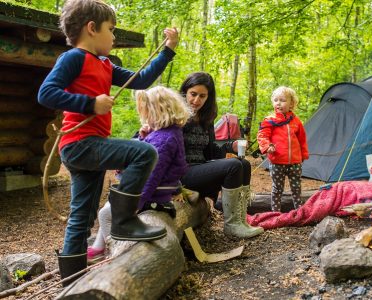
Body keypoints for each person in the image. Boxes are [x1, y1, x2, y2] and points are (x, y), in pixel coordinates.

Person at [37, 0, 179, 284]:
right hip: (80, 143)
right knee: (144, 153)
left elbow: (142, 80)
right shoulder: (73, 58)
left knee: (83, 215)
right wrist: (90, 103)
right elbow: (46, 93)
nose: (114, 37)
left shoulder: (105, 64)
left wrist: (168, 49)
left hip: (89, 147)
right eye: (111, 30)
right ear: (92, 28)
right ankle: (124, 222)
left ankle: (72, 280)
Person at [87, 86, 192, 263]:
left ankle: (113, 249)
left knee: (105, 215)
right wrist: (143, 137)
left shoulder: (163, 140)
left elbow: (152, 176)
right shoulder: (165, 133)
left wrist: (134, 204)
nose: (145, 118)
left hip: (154, 195)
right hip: (156, 191)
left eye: (147, 113)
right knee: (108, 206)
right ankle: (98, 248)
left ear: (158, 112)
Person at [175, 72, 264, 238]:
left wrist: (231, 146)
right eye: (193, 94)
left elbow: (210, 151)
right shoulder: (175, 115)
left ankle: (240, 220)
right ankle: (231, 226)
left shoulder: (205, 117)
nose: (196, 100)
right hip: (181, 175)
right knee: (234, 166)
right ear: (185, 92)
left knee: (243, 163)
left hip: (199, 169)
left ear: (208, 97)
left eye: (202, 96)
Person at [257, 86, 309, 212]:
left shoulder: (296, 121)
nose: (278, 103)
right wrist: (266, 146)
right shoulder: (270, 121)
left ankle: (299, 211)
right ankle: (276, 212)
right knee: (277, 188)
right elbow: (262, 135)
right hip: (277, 161)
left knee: (296, 188)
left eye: (282, 100)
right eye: (276, 100)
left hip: (295, 162)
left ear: (291, 104)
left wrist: (303, 154)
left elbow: (302, 139)